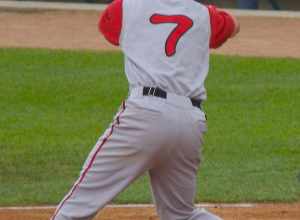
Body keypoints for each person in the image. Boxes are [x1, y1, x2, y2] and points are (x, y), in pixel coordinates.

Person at [51, 0, 240, 219]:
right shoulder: (205, 15)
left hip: (145, 115)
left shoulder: (124, 7)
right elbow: (233, 25)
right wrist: (207, 12)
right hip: (191, 123)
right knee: (182, 215)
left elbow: (108, 29)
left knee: (73, 211)